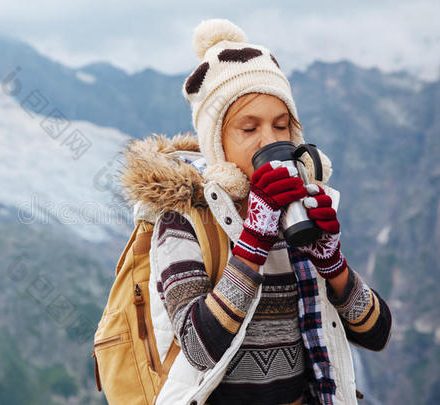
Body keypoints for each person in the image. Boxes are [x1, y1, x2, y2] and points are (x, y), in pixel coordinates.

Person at [120, 18, 392, 405]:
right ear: (218, 146)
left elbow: (377, 333)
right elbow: (199, 348)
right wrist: (254, 241)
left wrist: (332, 264)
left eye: (281, 126)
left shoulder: (300, 212)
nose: (270, 139)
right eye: (249, 129)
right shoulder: (185, 219)